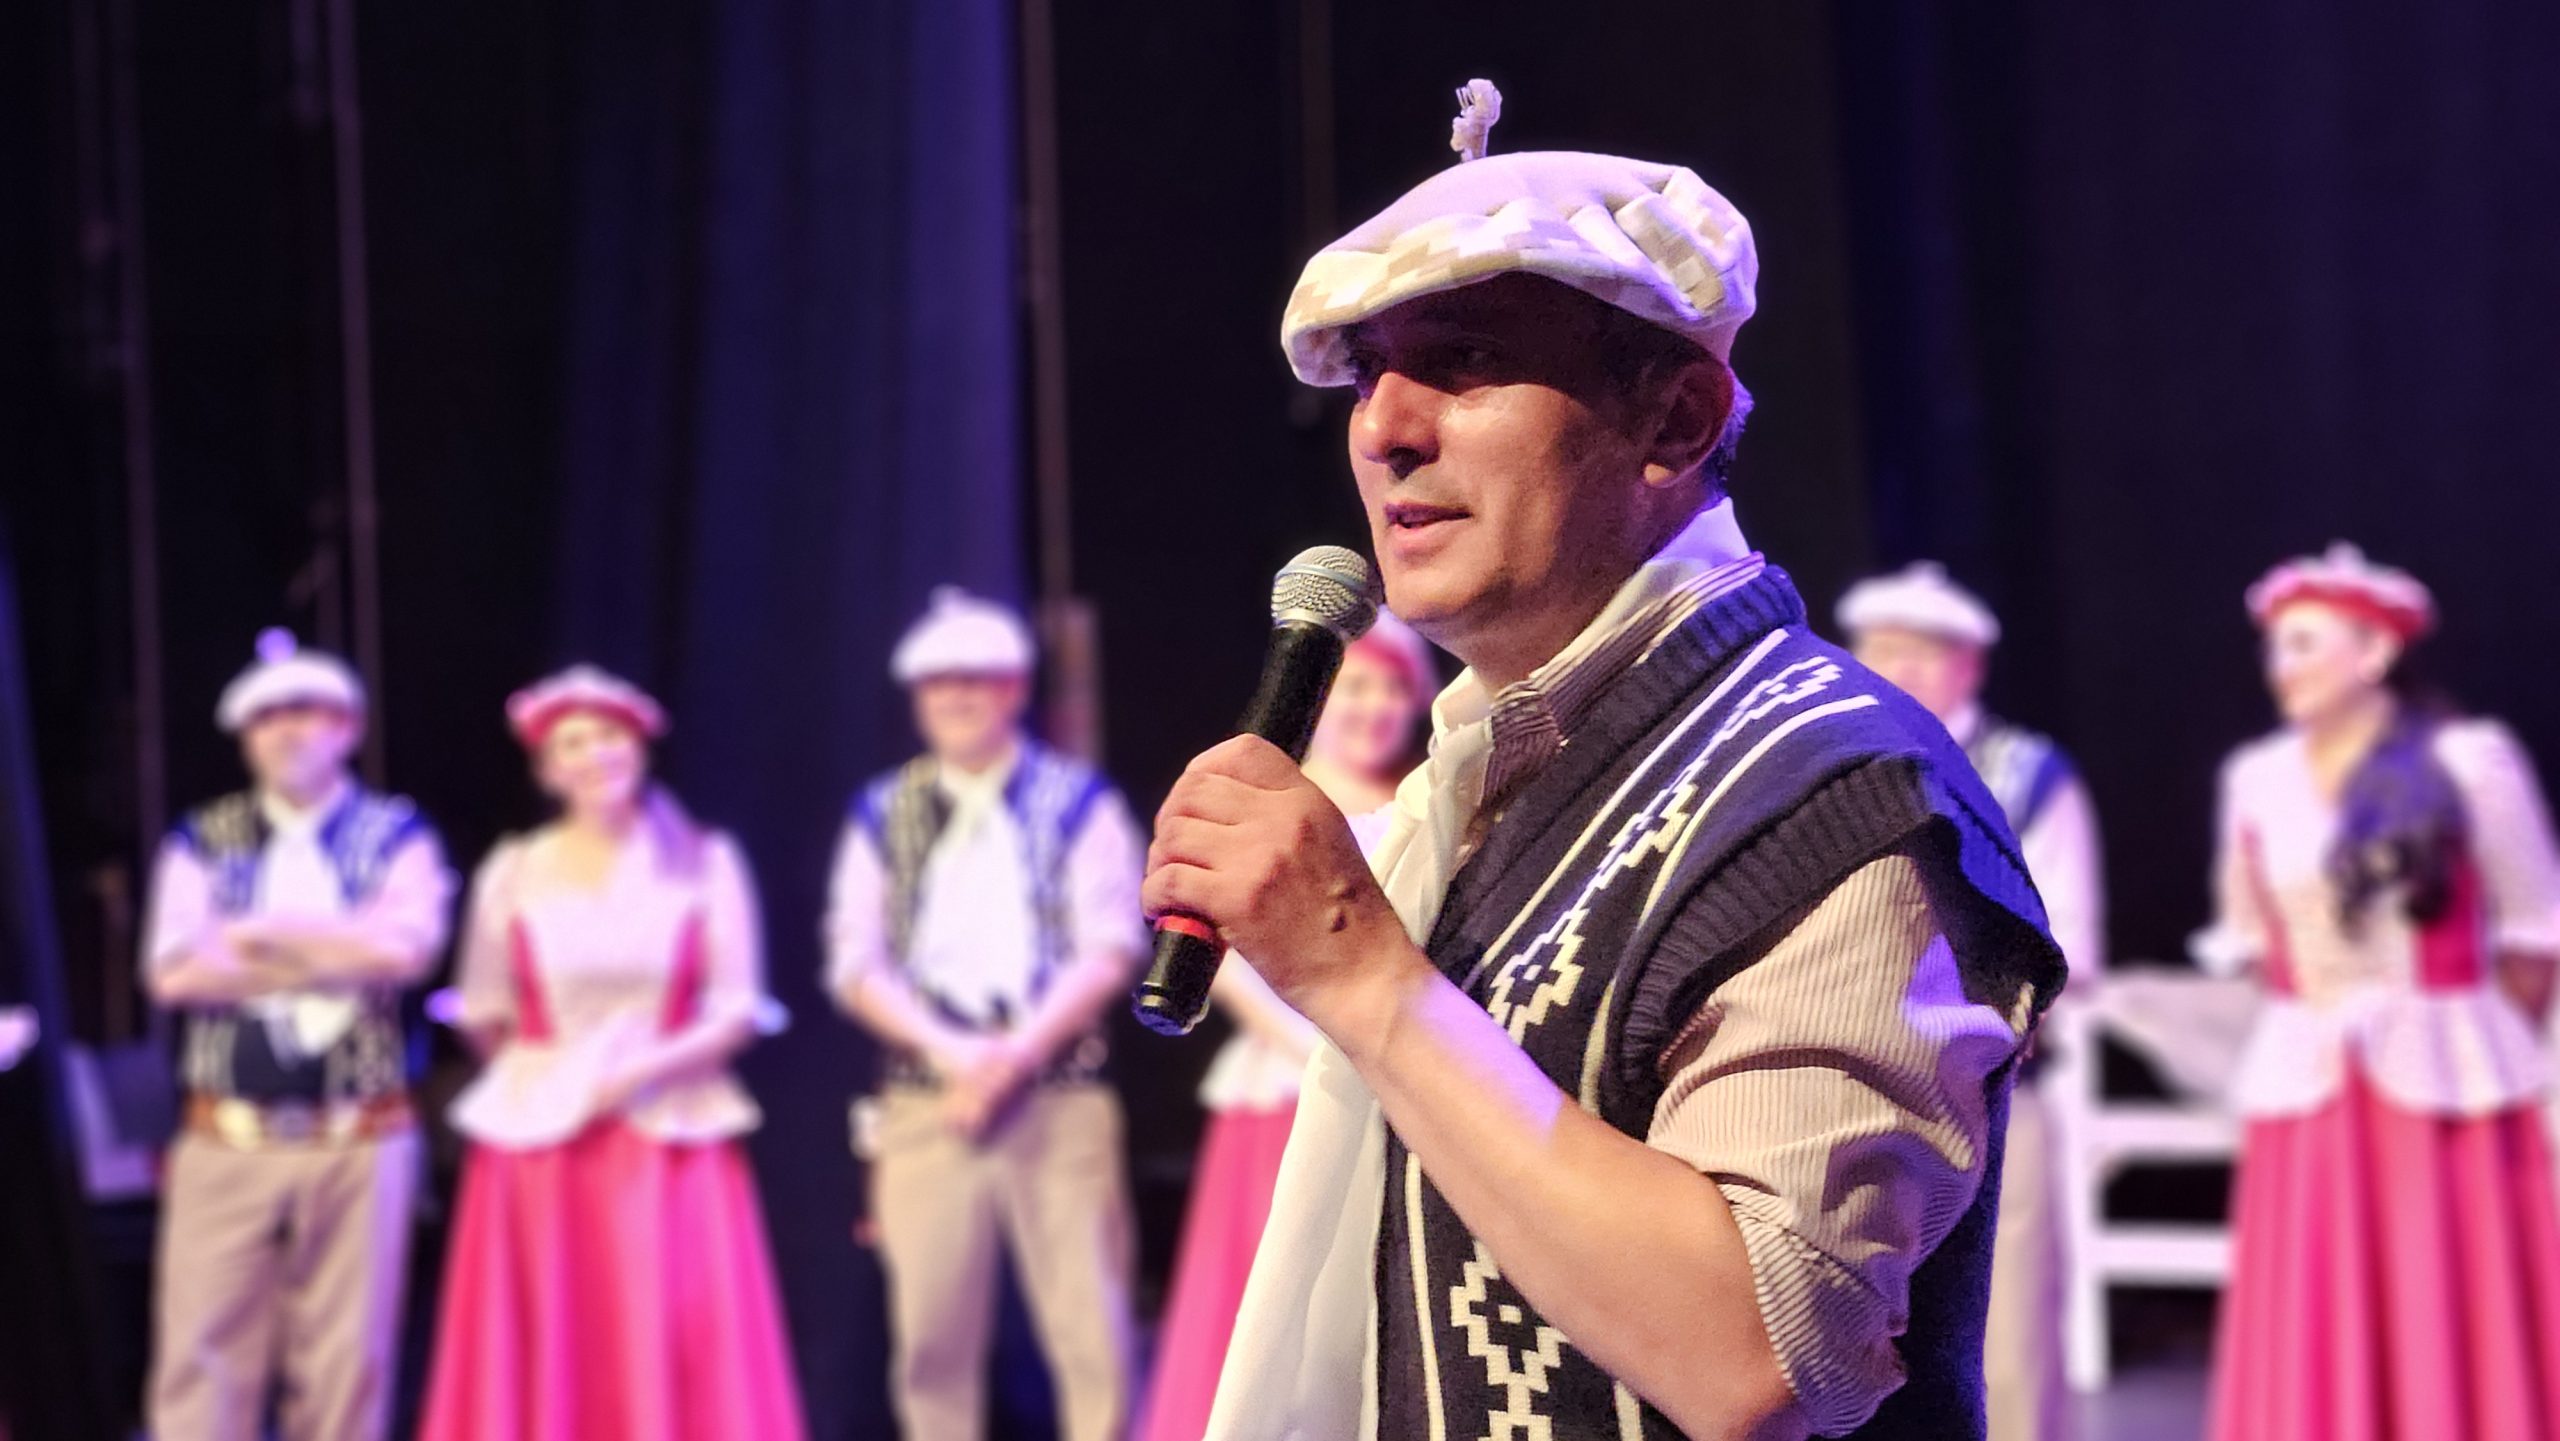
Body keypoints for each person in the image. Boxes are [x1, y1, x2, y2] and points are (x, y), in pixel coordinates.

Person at [1156, 89, 2064, 1441]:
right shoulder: (1477, 772)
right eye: (1367, 374)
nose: (1385, 428)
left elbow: (1760, 1352)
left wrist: (1359, 971)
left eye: (1463, 361)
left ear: (1677, 422)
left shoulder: (1836, 791)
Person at [2198, 544, 2560, 1441]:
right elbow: (2252, 935)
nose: (2282, 667)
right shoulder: (2257, 779)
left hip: (2447, 1091)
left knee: (2453, 1309)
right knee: (2318, 1318)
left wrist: (2461, 1038)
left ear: (2375, 652)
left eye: (2305, 644)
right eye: (2276, 646)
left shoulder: (2468, 760)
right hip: (2313, 1093)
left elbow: (2533, 933)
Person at [419, 665, 803, 1440]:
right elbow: (485, 1009)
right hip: (542, 1143)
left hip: (670, 1129)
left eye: (609, 736)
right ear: (546, 769)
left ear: (640, 748)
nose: (595, 754)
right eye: (573, 743)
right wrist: (548, 1083)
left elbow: (735, 1009)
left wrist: (633, 1072)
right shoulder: (514, 869)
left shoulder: (705, 861)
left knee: (671, 1321)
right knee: (553, 1328)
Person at [826, 588, 1149, 1441]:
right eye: (940, 683)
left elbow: (1110, 944)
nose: (958, 697)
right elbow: (856, 963)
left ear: (1013, 688)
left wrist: (1012, 1056)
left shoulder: (1078, 803)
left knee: (1091, 1328)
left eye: (976, 679)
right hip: (927, 1101)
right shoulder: (883, 812)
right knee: (930, 1339)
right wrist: (955, 1055)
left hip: (1059, 1095)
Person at [141, 629, 453, 1441]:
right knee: (202, 1348)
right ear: (246, 737)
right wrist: (343, 948)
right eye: (267, 718)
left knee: (348, 1357)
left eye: (306, 713)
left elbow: (406, 953)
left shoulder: (396, 833)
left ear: (348, 726)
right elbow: (175, 972)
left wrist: (259, 934)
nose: (286, 731)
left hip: (360, 1136)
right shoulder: (202, 838)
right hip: (227, 1138)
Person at [1135, 611, 1435, 1441]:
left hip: (1394, 1084)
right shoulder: (1268, 804)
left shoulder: (1427, 805)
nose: (1373, 705)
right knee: (1267, 1298)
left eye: (1392, 688)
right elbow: (1222, 951)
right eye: (1357, 685)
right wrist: (1317, 1043)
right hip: (1289, 1083)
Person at [1839, 561, 2104, 1441]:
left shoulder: (2027, 776)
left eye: (1920, 653)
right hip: (1851, 1087)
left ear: (1969, 666)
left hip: (1992, 1090)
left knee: (2006, 1321)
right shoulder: (1832, 758)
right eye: (1880, 650)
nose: (1897, 669)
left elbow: (2071, 946)